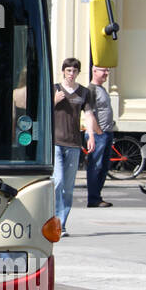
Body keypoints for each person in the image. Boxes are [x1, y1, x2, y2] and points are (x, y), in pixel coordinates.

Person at [52, 58, 88, 235]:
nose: (71, 74)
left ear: (78, 73)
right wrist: (54, 100)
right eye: (68, 71)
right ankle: (54, 219)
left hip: (74, 143)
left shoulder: (83, 92)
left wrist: (92, 135)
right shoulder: (55, 88)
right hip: (56, 142)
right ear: (63, 71)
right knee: (57, 181)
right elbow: (42, 109)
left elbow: (88, 114)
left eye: (74, 71)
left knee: (68, 186)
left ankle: (62, 224)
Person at [85, 64, 115, 207]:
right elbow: (88, 113)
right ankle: (93, 198)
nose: (106, 73)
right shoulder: (91, 90)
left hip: (107, 132)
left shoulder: (102, 89)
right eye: (103, 70)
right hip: (98, 134)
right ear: (94, 71)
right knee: (95, 166)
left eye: (107, 70)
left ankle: (97, 197)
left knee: (104, 166)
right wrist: (98, 132)